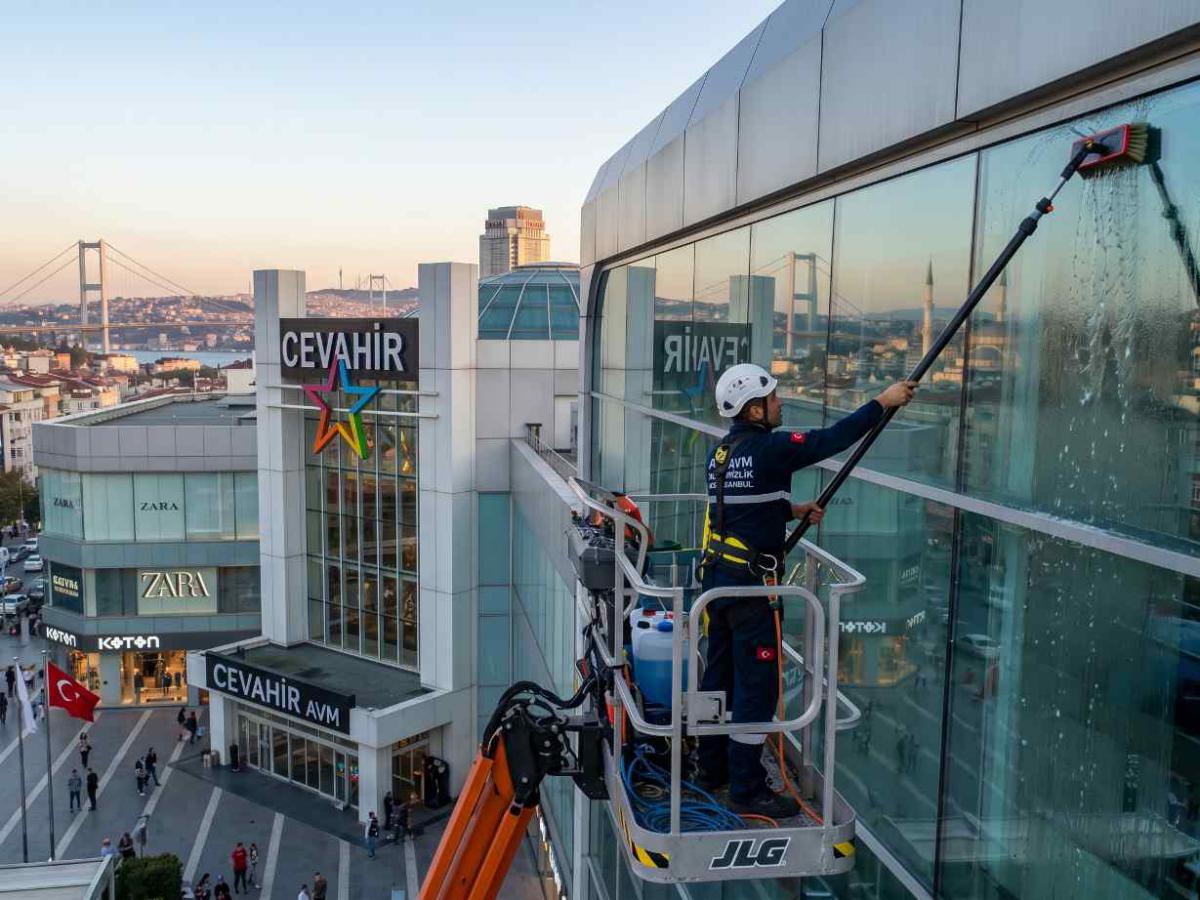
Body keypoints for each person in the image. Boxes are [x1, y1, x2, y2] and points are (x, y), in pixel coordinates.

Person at [697, 363, 915, 818]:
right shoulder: (770, 449)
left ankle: (710, 770)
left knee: (718, 678)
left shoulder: (721, 454)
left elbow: (741, 508)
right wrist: (883, 402)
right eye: (773, 398)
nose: (780, 405)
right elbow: (831, 439)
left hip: (718, 581)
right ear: (754, 409)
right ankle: (747, 788)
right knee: (755, 688)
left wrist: (789, 510)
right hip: (750, 589)